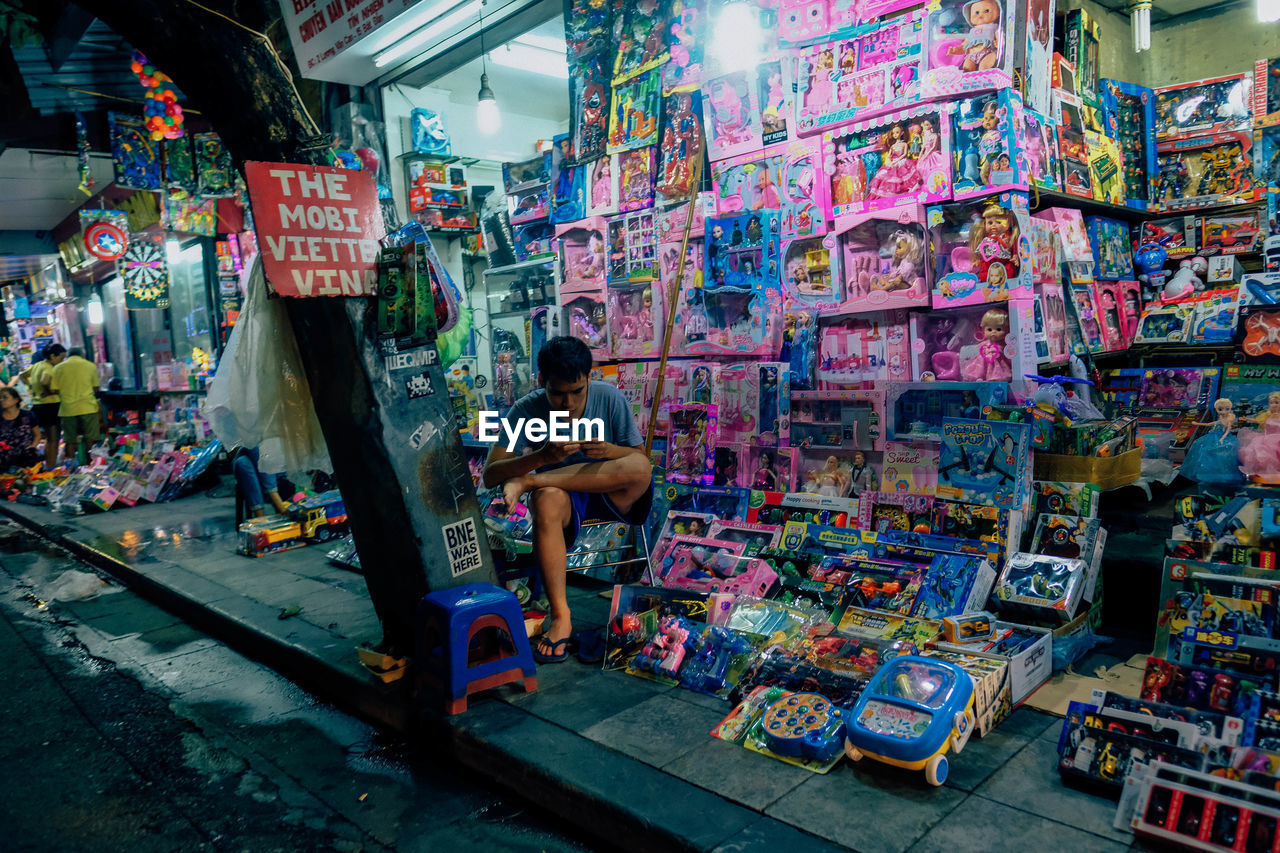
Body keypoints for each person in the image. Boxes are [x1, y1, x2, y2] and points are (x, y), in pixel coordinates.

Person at [482, 337, 653, 663]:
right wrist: (542, 455)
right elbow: (491, 474)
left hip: (606, 490)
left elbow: (637, 460)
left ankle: (533, 481)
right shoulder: (526, 411)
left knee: (641, 467)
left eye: (577, 392)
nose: (569, 403)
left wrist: (609, 451)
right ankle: (561, 617)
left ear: (589, 378)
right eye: (558, 393)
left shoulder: (609, 397)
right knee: (546, 500)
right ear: (541, 381)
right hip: (562, 500)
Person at [50, 347, 100, 466]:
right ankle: (91, 465)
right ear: (82, 355)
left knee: (70, 440)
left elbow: (54, 389)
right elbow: (96, 388)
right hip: (87, 407)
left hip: (68, 408)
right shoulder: (90, 365)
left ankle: (70, 467)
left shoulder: (58, 368)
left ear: (68, 356)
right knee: (90, 438)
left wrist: (67, 392)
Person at [20, 343, 65, 468]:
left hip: (38, 406)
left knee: (49, 439)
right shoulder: (49, 367)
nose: (62, 361)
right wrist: (48, 391)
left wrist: (31, 388)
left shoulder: (37, 365)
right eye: (61, 357)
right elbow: (44, 381)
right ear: (52, 356)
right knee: (54, 440)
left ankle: (47, 466)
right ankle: (51, 467)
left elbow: (22, 376)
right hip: (50, 405)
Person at [232, 447, 291, 517]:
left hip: (276, 469)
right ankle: (278, 505)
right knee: (244, 461)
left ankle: (260, 518)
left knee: (245, 459)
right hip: (259, 467)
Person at [0, 387, 42, 469]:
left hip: (25, 453)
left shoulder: (28, 415)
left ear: (16, 400)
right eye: (0, 397)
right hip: (5, 455)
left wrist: (33, 446)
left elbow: (37, 435)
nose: (1, 400)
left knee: (32, 456)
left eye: (5, 397)